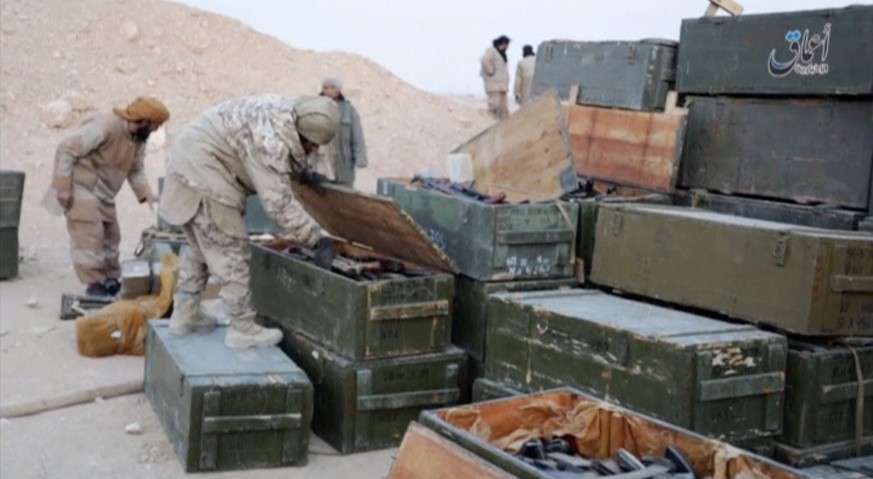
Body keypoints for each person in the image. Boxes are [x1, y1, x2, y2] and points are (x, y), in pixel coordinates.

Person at [158, 94, 340, 348]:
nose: (315, 149)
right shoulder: (271, 142)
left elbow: (278, 155)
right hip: (204, 174)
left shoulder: (285, 112)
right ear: (304, 133)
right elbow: (278, 204)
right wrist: (317, 239)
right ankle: (242, 328)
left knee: (201, 248)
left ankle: (185, 313)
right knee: (231, 250)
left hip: (188, 162)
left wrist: (303, 174)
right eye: (313, 144)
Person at [50, 97, 169, 297]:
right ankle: (94, 284)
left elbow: (136, 170)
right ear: (144, 121)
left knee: (111, 237)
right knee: (89, 238)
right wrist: (63, 188)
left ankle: (110, 279)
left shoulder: (137, 140)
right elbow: (66, 149)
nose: (155, 131)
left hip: (104, 193)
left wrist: (147, 195)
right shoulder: (106, 127)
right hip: (83, 187)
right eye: (155, 126)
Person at [314, 77, 367, 188]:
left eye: (332, 87)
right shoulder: (314, 107)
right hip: (321, 160)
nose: (328, 90)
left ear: (338, 90)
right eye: (325, 87)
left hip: (343, 162)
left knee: (343, 195)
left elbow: (357, 136)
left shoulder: (348, 110)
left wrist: (360, 157)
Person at [480, 35, 511, 120]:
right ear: (503, 44)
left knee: (504, 111)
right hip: (494, 85)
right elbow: (484, 60)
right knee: (494, 107)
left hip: (502, 86)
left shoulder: (503, 54)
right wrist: (490, 71)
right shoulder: (492, 51)